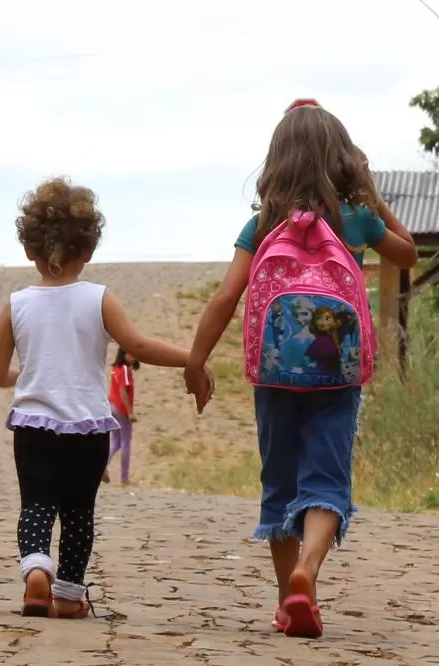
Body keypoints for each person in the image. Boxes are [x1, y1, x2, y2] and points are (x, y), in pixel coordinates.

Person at [183, 105, 418, 638]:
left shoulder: (262, 224)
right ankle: (307, 572)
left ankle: (286, 600)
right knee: (327, 480)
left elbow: (226, 297)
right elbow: (406, 255)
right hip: (338, 377)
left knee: (280, 482)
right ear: (344, 159)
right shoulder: (356, 218)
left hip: (274, 376)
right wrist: (372, 194)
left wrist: (196, 360)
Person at [0, 177, 213, 620]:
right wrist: (193, 359)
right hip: (87, 429)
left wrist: (25, 376)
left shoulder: (17, 304)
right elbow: (139, 346)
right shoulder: (99, 298)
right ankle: (69, 596)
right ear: (88, 250)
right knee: (78, 513)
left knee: (36, 505)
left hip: (33, 427)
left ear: (29, 249)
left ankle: (36, 570)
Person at [104, 347, 140, 486]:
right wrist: (130, 412)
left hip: (112, 406)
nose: (134, 356)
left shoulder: (116, 368)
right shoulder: (125, 369)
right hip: (121, 408)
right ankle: (124, 477)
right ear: (124, 354)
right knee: (126, 442)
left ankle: (103, 465)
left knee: (116, 441)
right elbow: (122, 390)